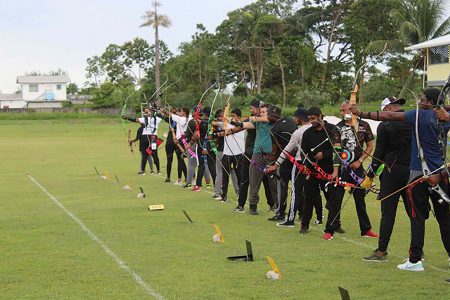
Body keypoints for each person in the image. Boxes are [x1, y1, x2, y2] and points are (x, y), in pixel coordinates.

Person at [350, 88, 450, 271]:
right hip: (440, 173)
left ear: (429, 102)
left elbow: (387, 117)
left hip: (418, 174)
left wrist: (360, 113)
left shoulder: (417, 116)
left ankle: (414, 261)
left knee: (416, 218)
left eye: (422, 98)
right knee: (444, 219)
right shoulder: (443, 117)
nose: (419, 101)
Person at [363, 97, 412, 262]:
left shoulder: (385, 125)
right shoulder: (413, 120)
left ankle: (381, 251)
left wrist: (370, 174)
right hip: (413, 172)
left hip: (392, 173)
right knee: (415, 215)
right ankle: (417, 252)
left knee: (388, 214)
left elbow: (379, 153)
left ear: (388, 109)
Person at [332, 102, 378, 239]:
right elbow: (337, 150)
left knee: (360, 199)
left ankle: (366, 229)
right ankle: (331, 228)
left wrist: (360, 161)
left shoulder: (364, 125)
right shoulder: (338, 127)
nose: (341, 112)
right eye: (340, 110)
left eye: (344, 110)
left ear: (352, 110)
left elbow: (370, 146)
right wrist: (336, 169)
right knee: (336, 199)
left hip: (357, 168)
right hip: (342, 168)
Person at [265, 107, 313, 227]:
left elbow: (286, 150)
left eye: (296, 117)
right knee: (309, 191)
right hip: (313, 165)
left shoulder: (298, 132)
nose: (294, 119)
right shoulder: (313, 129)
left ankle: (290, 219)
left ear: (300, 118)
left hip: (299, 163)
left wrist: (275, 165)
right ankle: (307, 217)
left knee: (295, 192)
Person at [300, 107, 339, 235]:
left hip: (328, 170)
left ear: (320, 116)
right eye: (309, 119)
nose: (311, 121)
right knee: (308, 198)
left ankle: (334, 225)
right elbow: (304, 152)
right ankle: (304, 225)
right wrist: (306, 165)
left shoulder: (332, 129)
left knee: (332, 199)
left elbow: (338, 149)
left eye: (313, 118)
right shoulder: (307, 133)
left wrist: (325, 154)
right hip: (312, 170)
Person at [233, 100, 275, 213]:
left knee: (272, 182)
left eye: (264, 112)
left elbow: (264, 119)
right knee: (254, 180)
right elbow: (246, 124)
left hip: (271, 156)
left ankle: (276, 205)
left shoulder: (273, 121)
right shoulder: (258, 122)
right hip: (257, 154)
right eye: (260, 112)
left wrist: (253, 118)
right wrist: (236, 123)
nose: (261, 113)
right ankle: (253, 205)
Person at [266, 106, 297, 222]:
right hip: (296, 159)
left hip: (283, 159)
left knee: (282, 186)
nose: (267, 117)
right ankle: (299, 212)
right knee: (296, 186)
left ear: (272, 116)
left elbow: (274, 150)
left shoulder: (274, 129)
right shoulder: (291, 121)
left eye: (268, 115)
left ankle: (280, 213)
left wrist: (272, 163)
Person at [123, 107, 163, 175]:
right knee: (150, 154)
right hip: (152, 137)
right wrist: (155, 109)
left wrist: (126, 118)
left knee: (151, 154)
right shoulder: (156, 119)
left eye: (148, 112)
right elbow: (161, 114)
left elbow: (134, 120)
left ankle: (146, 170)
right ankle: (156, 170)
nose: (147, 113)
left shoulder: (146, 119)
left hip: (147, 137)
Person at [220, 108, 245, 202]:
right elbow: (218, 124)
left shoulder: (241, 125)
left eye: (234, 116)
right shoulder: (227, 124)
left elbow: (232, 129)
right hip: (227, 153)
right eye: (232, 116)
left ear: (239, 117)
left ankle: (240, 195)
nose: (232, 117)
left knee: (240, 176)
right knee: (225, 176)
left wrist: (226, 121)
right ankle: (223, 195)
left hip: (238, 153)